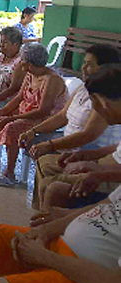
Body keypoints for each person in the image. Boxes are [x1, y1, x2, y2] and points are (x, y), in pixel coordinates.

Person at [0, 65, 121, 283]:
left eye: (100, 103)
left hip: (92, 280)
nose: (98, 109)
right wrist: (49, 229)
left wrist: (45, 258)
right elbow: (110, 203)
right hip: (65, 245)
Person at [21, 45, 121, 208]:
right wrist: (33, 131)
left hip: (87, 151)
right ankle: (43, 214)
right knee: (44, 161)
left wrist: (51, 145)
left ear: (105, 69)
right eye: (84, 63)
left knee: (52, 185)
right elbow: (61, 117)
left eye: (89, 64)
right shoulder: (83, 88)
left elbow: (88, 135)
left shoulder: (106, 95)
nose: (83, 67)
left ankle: (49, 220)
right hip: (84, 153)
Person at [0, 43, 68, 187]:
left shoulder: (52, 79)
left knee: (12, 127)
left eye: (22, 60)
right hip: (25, 113)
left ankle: (10, 173)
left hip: (44, 120)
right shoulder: (30, 75)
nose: (19, 62)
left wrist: (10, 118)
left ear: (29, 63)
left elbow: (43, 110)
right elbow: (18, 98)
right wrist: (1, 112)